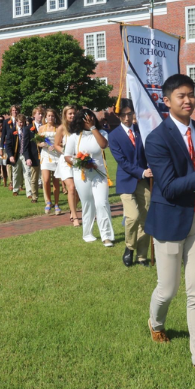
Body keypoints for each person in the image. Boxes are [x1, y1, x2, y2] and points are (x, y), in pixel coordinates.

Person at [144, 73, 195, 379]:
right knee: (167, 289)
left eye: (192, 94)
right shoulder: (156, 139)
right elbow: (167, 187)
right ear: (167, 102)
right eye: (181, 96)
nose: (188, 100)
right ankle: (155, 322)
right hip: (169, 220)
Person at [108, 99, 152, 267]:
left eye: (130, 114)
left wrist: (150, 168)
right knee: (132, 216)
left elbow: (149, 153)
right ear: (118, 116)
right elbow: (122, 162)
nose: (127, 118)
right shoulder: (114, 136)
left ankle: (142, 255)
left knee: (146, 218)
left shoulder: (142, 131)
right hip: (126, 180)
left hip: (143, 181)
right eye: (123, 115)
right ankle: (129, 248)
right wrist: (141, 171)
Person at [67, 109, 114, 244]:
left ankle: (106, 236)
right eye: (86, 120)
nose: (89, 121)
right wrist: (81, 162)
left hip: (99, 173)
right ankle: (87, 233)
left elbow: (104, 145)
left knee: (102, 203)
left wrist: (93, 128)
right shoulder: (74, 137)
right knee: (87, 203)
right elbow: (67, 156)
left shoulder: (102, 133)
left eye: (91, 118)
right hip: (81, 174)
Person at [55, 105, 81, 226]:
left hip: (78, 161)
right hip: (65, 161)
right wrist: (65, 151)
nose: (72, 115)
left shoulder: (79, 128)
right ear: (65, 115)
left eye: (74, 113)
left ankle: (73, 209)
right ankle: (75, 217)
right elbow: (56, 144)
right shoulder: (61, 128)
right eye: (69, 113)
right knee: (71, 187)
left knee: (79, 190)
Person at [37, 108, 63, 215]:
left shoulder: (58, 128)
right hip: (45, 155)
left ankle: (56, 204)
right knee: (46, 180)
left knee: (56, 181)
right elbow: (38, 141)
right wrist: (41, 144)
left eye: (52, 116)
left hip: (56, 155)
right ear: (45, 117)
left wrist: (57, 146)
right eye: (48, 116)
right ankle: (48, 202)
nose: (50, 118)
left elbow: (63, 142)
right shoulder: (42, 128)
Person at [6, 113, 38, 199]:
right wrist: (10, 156)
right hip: (16, 155)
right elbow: (8, 145)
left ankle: (29, 192)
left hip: (25, 154)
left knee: (27, 173)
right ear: (16, 121)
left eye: (23, 122)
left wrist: (29, 157)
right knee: (16, 173)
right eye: (20, 122)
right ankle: (15, 189)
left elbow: (30, 144)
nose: (21, 124)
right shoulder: (11, 131)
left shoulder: (27, 130)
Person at [30, 106, 44, 196]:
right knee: (34, 177)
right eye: (39, 114)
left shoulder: (45, 127)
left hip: (45, 154)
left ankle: (47, 198)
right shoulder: (29, 127)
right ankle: (34, 195)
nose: (41, 115)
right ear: (34, 115)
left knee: (45, 178)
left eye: (42, 114)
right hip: (34, 155)